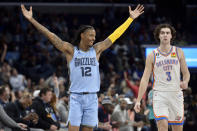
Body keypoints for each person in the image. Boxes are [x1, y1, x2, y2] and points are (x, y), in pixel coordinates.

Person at [21, 4, 144, 131]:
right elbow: (51, 36)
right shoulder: (71, 50)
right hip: (76, 97)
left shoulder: (97, 49)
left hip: (92, 97)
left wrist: (130, 19)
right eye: (91, 35)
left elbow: (115, 35)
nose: (93, 38)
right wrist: (31, 20)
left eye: (94, 35)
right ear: (82, 35)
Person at [134, 24, 190, 131]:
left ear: (171, 36)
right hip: (160, 94)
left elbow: (186, 73)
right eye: (162, 33)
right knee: (162, 125)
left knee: (177, 128)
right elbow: (145, 79)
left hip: (175, 94)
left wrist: (186, 81)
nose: (165, 35)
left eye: (167, 33)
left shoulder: (179, 52)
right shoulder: (152, 55)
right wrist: (138, 100)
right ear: (158, 36)